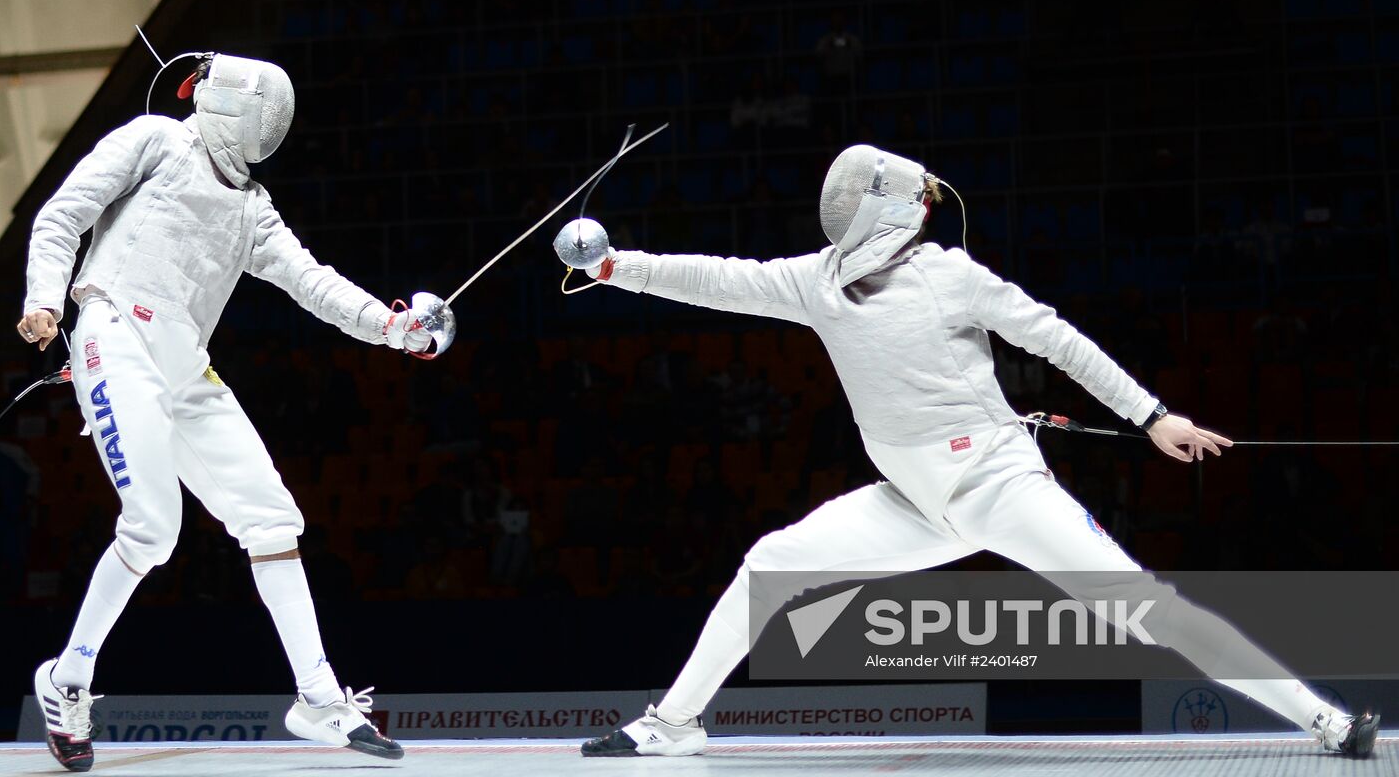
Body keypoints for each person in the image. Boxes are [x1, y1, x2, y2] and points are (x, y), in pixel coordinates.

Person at [569, 144, 1379, 759]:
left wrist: (1152, 415)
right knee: (769, 564)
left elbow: (1058, 340)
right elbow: (718, 279)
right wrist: (612, 267)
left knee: (1146, 609)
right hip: (913, 503)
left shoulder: (952, 275)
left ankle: (1326, 722)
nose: (925, 205)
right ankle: (673, 724)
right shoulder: (814, 283)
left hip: (1000, 484)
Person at [18, 52, 445, 771]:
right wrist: (42, 297)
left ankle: (316, 696)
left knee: (273, 520)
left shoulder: (253, 209)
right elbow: (65, 214)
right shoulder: (155, 139)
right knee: (153, 528)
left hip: (184, 365)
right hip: (114, 333)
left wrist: (392, 327)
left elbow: (313, 282)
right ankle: (68, 680)